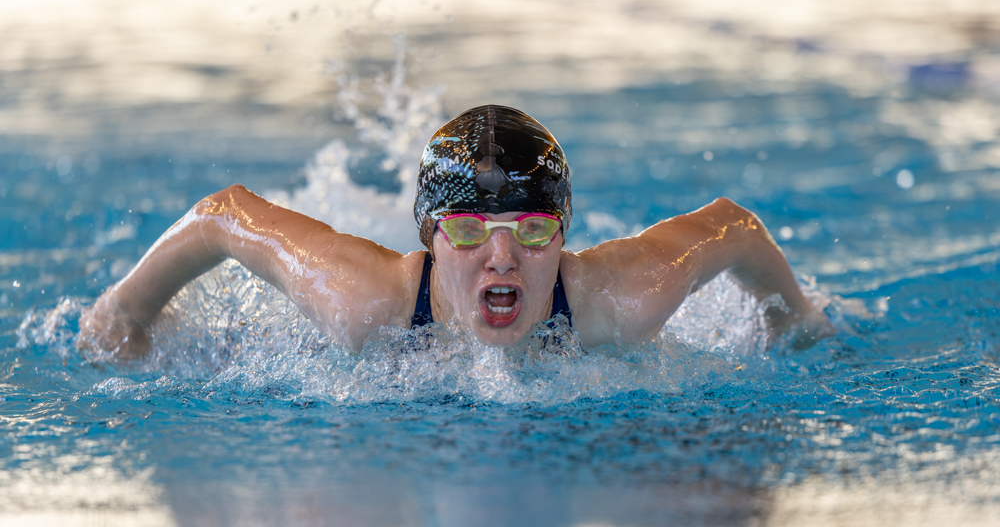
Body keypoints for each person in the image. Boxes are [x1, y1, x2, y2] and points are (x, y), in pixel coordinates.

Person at [79, 105, 831, 358]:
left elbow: (732, 226)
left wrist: (792, 319)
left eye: (532, 231)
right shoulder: (363, 300)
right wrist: (123, 313)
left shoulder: (620, 300)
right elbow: (223, 214)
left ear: (563, 235)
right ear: (431, 237)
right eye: (469, 230)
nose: (502, 255)